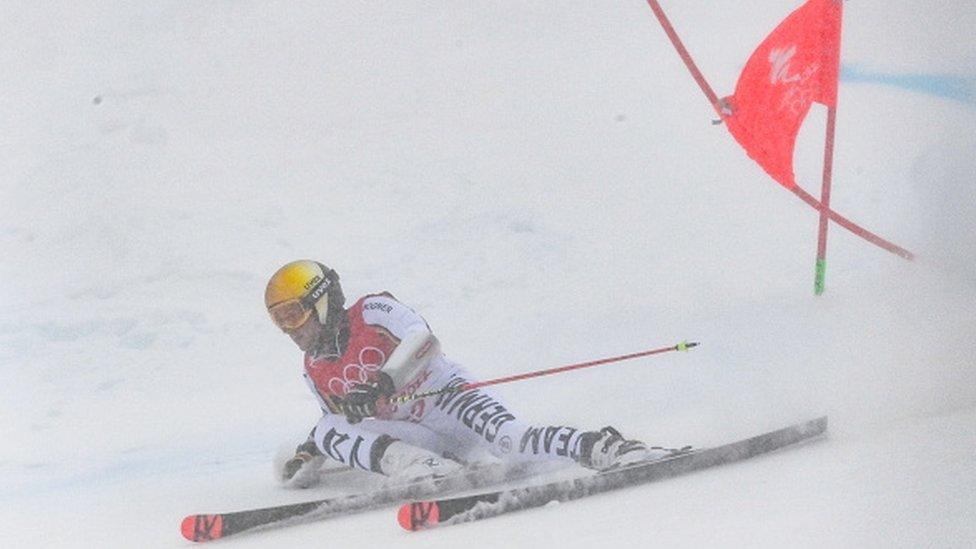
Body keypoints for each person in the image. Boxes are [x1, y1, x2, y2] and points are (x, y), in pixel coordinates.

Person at [265, 259, 671, 484]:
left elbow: (423, 341)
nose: (290, 330)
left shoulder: (372, 312)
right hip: (419, 438)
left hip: (449, 397)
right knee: (324, 428)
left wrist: (381, 384)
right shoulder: (314, 368)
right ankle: (422, 468)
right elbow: (337, 421)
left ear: (321, 302)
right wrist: (308, 455)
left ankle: (606, 447)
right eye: (280, 321)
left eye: (294, 315)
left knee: (511, 441)